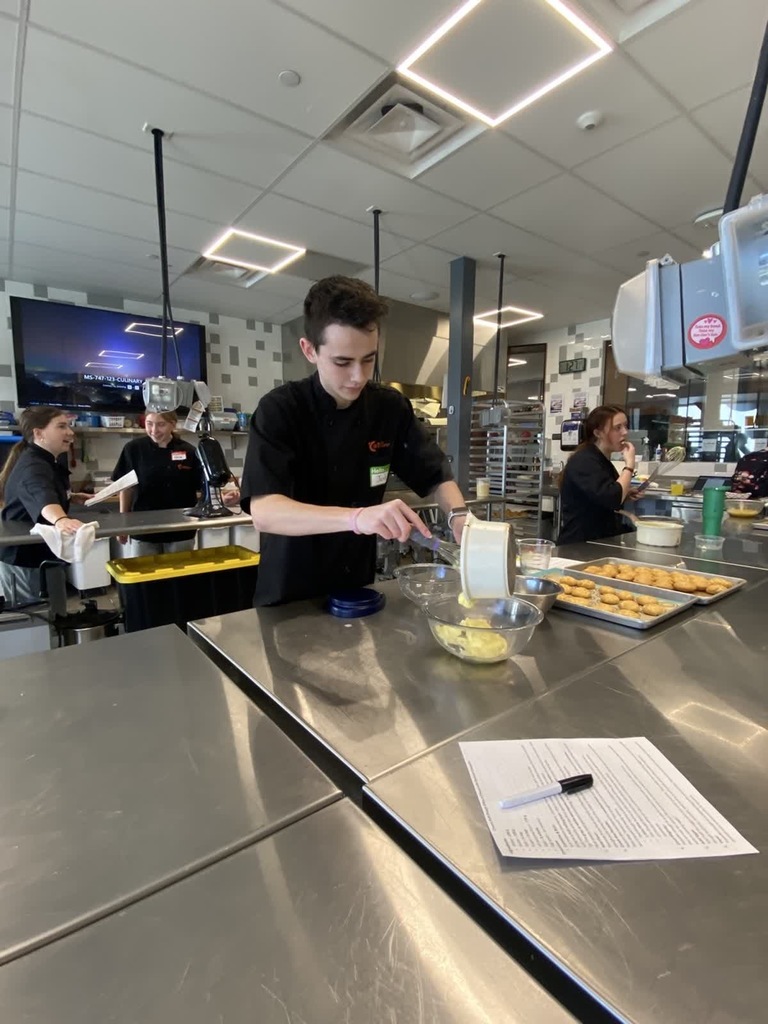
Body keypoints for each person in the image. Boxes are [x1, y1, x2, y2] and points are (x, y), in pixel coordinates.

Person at [240, 275, 469, 606]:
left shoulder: (389, 408)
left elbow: (435, 474)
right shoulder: (281, 409)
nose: (359, 376)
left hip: (356, 588)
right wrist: (357, 518)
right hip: (289, 593)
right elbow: (265, 512)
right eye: (342, 362)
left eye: (369, 359)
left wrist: (459, 515)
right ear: (310, 350)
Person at [112, 410, 238, 556]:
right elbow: (126, 489)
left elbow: (202, 489)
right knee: (146, 576)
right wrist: (123, 524)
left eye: (161, 425)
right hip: (143, 528)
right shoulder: (133, 449)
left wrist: (221, 500)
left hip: (181, 529)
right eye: (149, 424)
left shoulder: (189, 451)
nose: (154, 430)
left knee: (179, 575)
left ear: (172, 424)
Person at [0, 406, 85, 606]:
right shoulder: (33, 465)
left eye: (69, 425)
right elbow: (41, 496)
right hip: (23, 559)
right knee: (34, 623)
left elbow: (44, 491)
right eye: (61, 426)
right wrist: (61, 519)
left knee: (55, 613)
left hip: (44, 554)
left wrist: (70, 496)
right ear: (39, 433)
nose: (70, 432)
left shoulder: (47, 460)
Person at [557, 405, 637, 545]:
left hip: (597, 541)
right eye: (617, 428)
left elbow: (602, 495)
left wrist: (626, 494)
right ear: (598, 433)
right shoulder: (584, 460)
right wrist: (629, 465)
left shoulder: (600, 459)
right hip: (579, 545)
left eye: (625, 426)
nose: (625, 432)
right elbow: (613, 498)